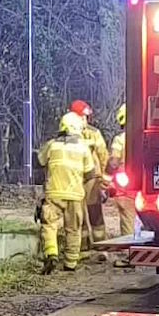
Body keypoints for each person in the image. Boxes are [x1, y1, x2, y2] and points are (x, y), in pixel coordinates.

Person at [37, 113, 96, 273]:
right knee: (73, 229)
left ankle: (51, 254)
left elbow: (40, 162)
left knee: (49, 224)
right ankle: (70, 263)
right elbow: (90, 174)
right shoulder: (83, 147)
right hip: (75, 195)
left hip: (54, 192)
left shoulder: (52, 145)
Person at [70, 99, 110, 247]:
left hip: (90, 179)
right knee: (79, 213)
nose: (84, 119)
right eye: (82, 116)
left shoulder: (93, 133)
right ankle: (84, 245)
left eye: (86, 116)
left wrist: (103, 178)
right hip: (78, 179)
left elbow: (103, 155)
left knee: (94, 212)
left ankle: (99, 244)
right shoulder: (71, 133)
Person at [107, 105, 137, 237]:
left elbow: (113, 162)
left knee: (127, 216)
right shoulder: (147, 136)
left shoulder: (119, 140)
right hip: (144, 186)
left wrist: (107, 179)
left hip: (126, 187)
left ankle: (129, 246)